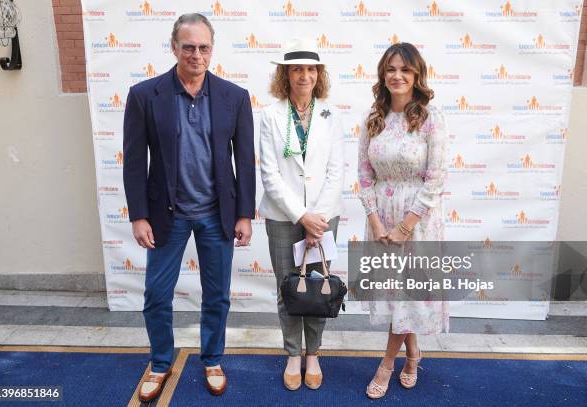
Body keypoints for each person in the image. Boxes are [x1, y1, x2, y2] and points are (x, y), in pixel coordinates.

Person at [123, 13, 255, 401]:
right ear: (174, 47)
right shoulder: (145, 95)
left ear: (211, 50)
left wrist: (245, 213)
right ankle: (160, 362)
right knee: (156, 296)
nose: (196, 54)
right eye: (188, 47)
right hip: (168, 215)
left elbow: (243, 161)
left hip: (218, 215)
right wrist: (139, 215)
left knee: (217, 295)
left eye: (203, 47)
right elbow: (133, 161)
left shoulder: (234, 97)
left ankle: (212, 359)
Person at [357, 42, 449, 399]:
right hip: (381, 216)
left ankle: (386, 364)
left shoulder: (430, 118)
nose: (397, 76)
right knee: (397, 296)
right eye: (391, 69)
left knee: (405, 294)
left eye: (405, 70)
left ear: (416, 76)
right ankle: (414, 354)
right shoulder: (373, 117)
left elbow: (436, 178)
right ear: (383, 74)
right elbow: (364, 174)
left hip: (418, 220)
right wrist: (376, 221)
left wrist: (406, 225)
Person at [259, 38, 344, 391]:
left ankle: (314, 355)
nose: (304, 75)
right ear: (286, 74)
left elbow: (336, 171)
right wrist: (301, 216)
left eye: (310, 69)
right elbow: (269, 172)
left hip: (324, 218)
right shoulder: (270, 115)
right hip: (283, 217)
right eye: (297, 69)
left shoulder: (331, 114)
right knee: (289, 289)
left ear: (318, 74)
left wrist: (317, 219)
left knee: (318, 288)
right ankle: (294, 353)